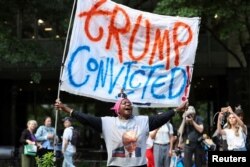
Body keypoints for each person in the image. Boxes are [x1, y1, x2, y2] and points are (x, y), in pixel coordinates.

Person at [55, 97, 187, 167]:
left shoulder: (142, 121)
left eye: (129, 103)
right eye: (124, 103)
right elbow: (86, 119)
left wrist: (176, 110)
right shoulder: (107, 122)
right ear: (117, 109)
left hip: (139, 165)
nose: (128, 104)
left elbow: (160, 118)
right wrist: (66, 109)